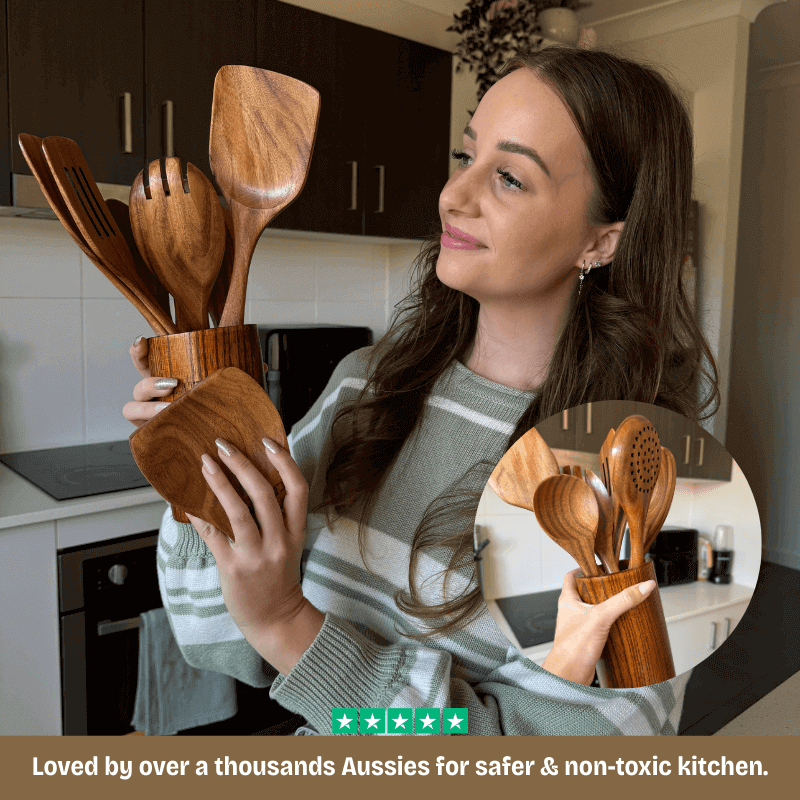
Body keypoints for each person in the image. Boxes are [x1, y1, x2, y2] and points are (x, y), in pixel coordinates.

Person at [125, 46, 718, 734]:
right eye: (467, 157)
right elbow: (212, 630)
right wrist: (199, 471)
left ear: (605, 239)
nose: (452, 195)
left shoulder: (649, 487)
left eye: (509, 178)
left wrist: (289, 624)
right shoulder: (366, 384)